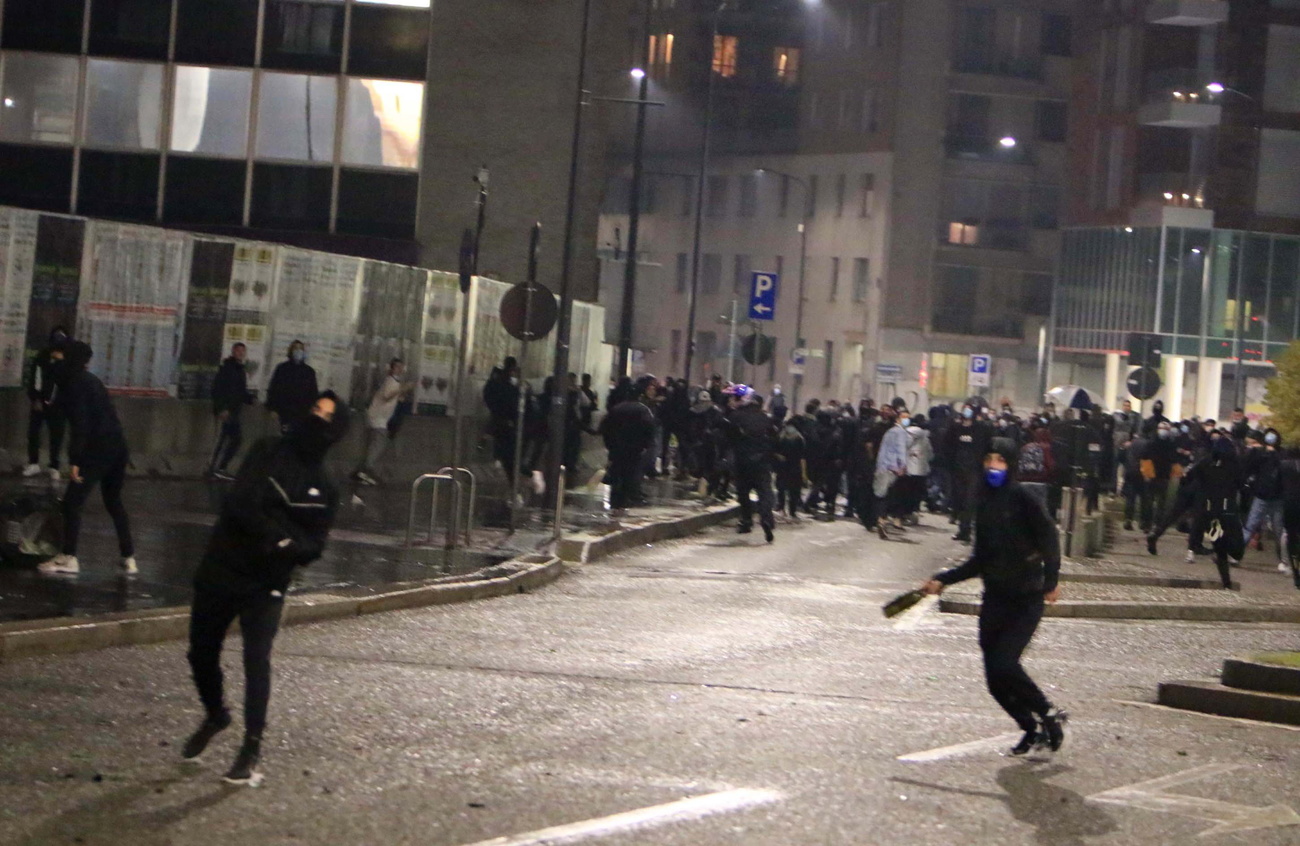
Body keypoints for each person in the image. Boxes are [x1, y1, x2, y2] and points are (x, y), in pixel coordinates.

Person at [181, 392, 350, 786]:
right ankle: (216, 713)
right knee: (201, 653)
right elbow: (242, 502)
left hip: (267, 583)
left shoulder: (325, 487)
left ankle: (251, 746)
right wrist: (278, 537)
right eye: (314, 409)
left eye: (327, 417)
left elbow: (316, 543)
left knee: (257, 659)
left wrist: (291, 548)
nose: (317, 420)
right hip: (223, 567)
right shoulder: (268, 450)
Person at [922, 437, 1068, 757]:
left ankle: (1047, 711)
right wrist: (943, 580)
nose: (993, 466)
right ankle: (1029, 729)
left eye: (1000, 461)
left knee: (1005, 662)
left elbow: (1049, 539)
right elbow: (980, 559)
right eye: (989, 459)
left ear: (1011, 464)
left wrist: (1051, 581)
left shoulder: (1024, 498)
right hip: (995, 599)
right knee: (994, 679)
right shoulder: (984, 503)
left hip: (1025, 600)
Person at [37, 341, 136, 576]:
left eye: (57, 359)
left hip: (96, 450)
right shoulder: (89, 380)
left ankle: (69, 557)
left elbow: (80, 423)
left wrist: (75, 460)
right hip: (117, 447)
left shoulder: (74, 384)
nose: (54, 364)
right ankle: (128, 556)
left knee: (72, 502)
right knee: (113, 501)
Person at [725, 386, 777, 542]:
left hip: (742, 461)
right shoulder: (765, 418)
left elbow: (729, 437)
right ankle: (766, 518)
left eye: (735, 398)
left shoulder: (736, 417)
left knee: (743, 492)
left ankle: (746, 521)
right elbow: (774, 438)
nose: (732, 401)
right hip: (762, 461)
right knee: (764, 492)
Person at [600, 376, 657, 511]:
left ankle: (616, 502)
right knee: (631, 474)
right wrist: (645, 446)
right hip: (634, 449)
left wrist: (610, 446)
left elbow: (606, 428)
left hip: (617, 448)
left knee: (617, 474)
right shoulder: (643, 410)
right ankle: (629, 499)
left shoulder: (616, 409)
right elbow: (649, 429)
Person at [353, 358, 413, 486]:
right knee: (378, 443)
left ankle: (360, 470)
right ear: (392, 368)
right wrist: (402, 389)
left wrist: (403, 393)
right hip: (378, 418)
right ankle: (366, 469)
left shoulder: (394, 382)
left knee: (371, 444)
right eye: (397, 367)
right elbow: (387, 396)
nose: (399, 369)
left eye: (401, 367)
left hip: (378, 417)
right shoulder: (390, 381)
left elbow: (396, 398)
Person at [24, 325, 70, 480]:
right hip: (40, 402)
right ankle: (33, 463)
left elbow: (68, 382)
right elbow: (35, 379)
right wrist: (35, 398)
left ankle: (54, 466)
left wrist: (61, 362)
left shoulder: (68, 360)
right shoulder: (42, 356)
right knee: (34, 432)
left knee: (56, 435)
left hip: (59, 405)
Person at [208, 342, 254, 481]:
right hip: (227, 411)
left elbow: (239, 391)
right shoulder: (227, 368)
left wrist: (250, 399)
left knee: (231, 439)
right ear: (233, 351)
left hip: (234, 410)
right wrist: (222, 408)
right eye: (238, 351)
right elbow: (218, 389)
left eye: (243, 351)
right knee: (226, 440)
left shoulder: (239, 369)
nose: (241, 353)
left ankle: (218, 468)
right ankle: (216, 468)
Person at [1243, 429, 1285, 572]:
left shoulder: (1275, 455)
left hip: (1271, 497)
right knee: (1253, 526)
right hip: (1268, 496)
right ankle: (1235, 554)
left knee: (1274, 530)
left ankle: (1284, 561)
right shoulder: (1265, 454)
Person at [265, 340, 318, 435]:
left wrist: (313, 409)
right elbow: (274, 388)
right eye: (295, 348)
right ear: (291, 351)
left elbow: (313, 392)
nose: (298, 351)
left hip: (303, 413)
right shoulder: (282, 368)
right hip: (285, 412)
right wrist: (272, 408)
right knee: (286, 438)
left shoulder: (309, 371)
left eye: (301, 349)